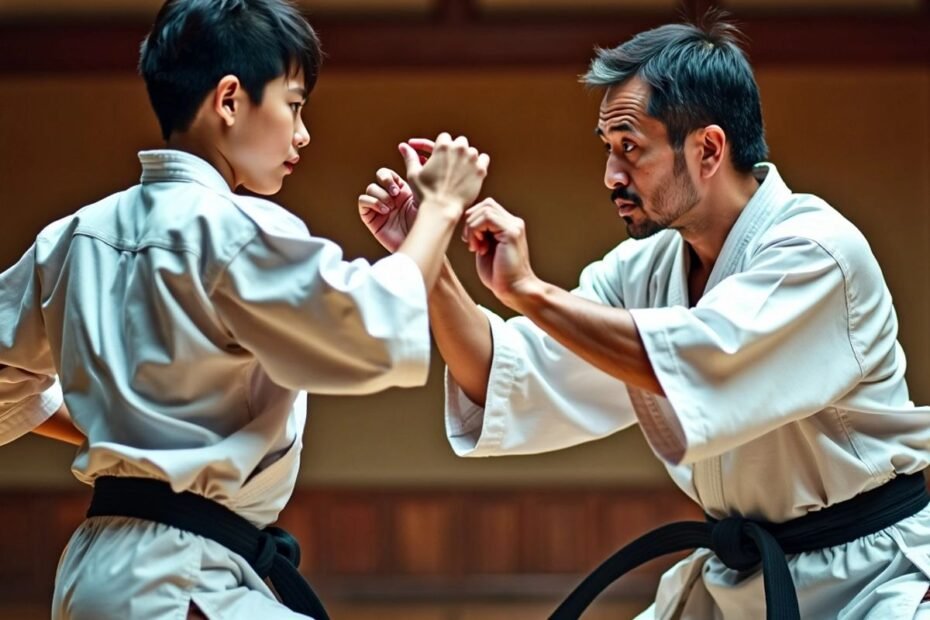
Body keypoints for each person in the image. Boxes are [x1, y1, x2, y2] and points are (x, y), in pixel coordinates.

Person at [359, 14, 930, 620]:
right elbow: (509, 372)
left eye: (631, 148)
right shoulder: (649, 269)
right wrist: (428, 259)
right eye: (608, 150)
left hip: (870, 579)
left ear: (708, 149)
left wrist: (528, 290)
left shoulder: (815, 251)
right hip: (737, 582)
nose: (612, 176)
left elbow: (692, 358)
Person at [0, 1, 489, 619]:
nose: (303, 133)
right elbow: (369, 325)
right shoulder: (234, 228)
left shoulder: (74, 235)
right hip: (175, 577)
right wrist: (441, 209)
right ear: (230, 100)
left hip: (107, 565)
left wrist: (123, 432)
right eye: (294, 104)